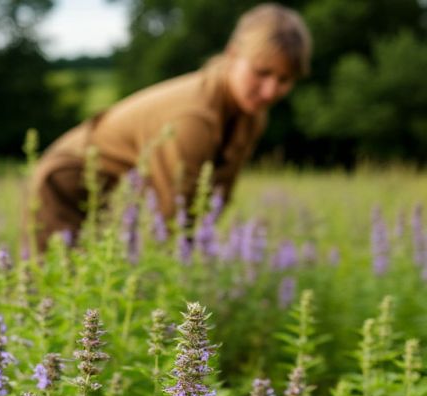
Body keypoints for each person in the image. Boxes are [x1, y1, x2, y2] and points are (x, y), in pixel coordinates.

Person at [27, 3, 311, 252]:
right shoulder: (193, 117)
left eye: (284, 79)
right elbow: (170, 213)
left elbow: (217, 196)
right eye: (261, 72)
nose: (271, 90)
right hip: (67, 184)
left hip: (116, 195)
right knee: (59, 292)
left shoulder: (252, 116)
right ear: (233, 54)